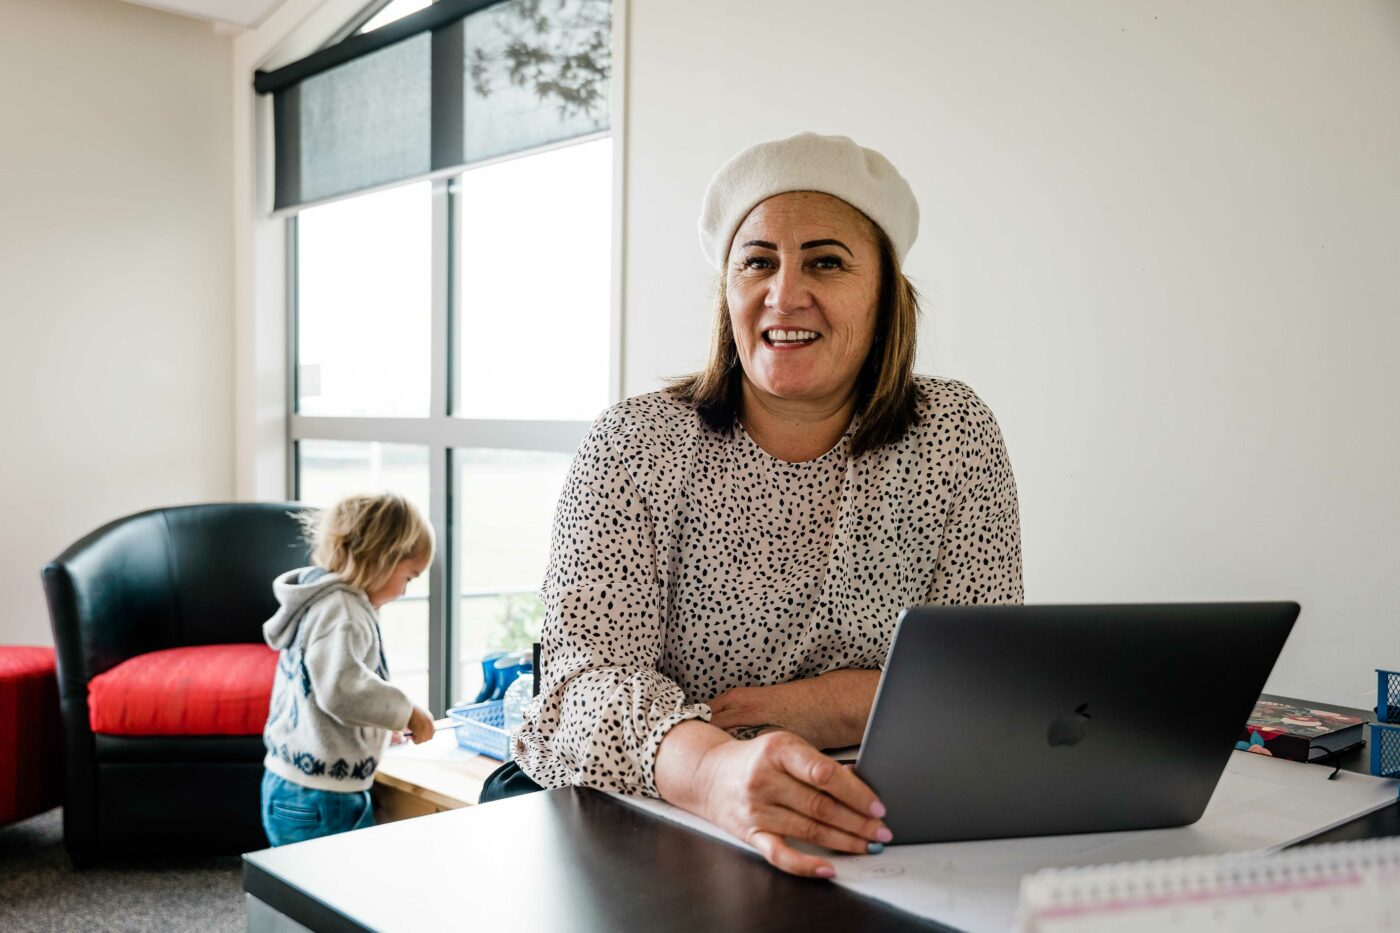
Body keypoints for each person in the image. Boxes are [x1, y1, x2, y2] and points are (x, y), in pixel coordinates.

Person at [484, 132, 1024, 878]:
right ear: (729, 290)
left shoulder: (955, 435)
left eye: (826, 262)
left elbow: (985, 683)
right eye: (759, 262)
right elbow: (576, 690)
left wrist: (813, 707)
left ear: (885, 294)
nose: (784, 294)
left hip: (874, 822)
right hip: (643, 820)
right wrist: (711, 769)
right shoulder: (636, 443)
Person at [260, 493, 438, 846]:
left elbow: (325, 689)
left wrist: (377, 726)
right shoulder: (343, 612)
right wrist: (408, 711)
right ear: (382, 559)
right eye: (409, 578)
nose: (404, 591)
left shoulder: (322, 598)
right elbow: (342, 689)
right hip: (323, 795)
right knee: (333, 887)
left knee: (300, 885)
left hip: (292, 781)